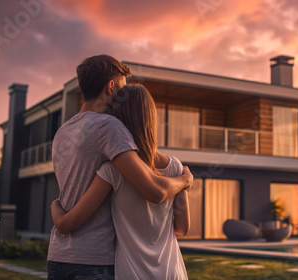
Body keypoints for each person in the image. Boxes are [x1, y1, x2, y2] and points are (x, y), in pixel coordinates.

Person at [48, 55, 193, 280]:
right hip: (93, 261)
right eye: (123, 89)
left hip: (57, 258)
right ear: (111, 87)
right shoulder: (109, 126)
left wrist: (55, 209)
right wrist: (184, 180)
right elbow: (154, 190)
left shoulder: (62, 133)